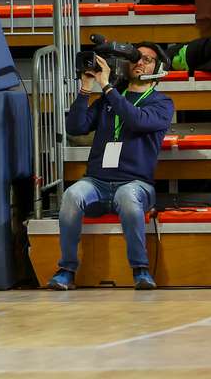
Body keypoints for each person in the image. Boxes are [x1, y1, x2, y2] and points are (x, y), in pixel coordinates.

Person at [48, 43, 174, 291]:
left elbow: (136, 120)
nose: (140, 62)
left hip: (136, 184)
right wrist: (85, 89)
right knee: (72, 195)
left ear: (158, 68)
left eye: (147, 59)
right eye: (136, 58)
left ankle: (141, 270)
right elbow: (75, 127)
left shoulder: (162, 103)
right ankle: (66, 270)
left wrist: (106, 87)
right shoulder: (110, 98)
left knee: (127, 196)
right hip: (97, 182)